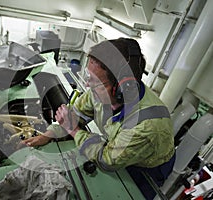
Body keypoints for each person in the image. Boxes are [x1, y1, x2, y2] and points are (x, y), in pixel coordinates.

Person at [21, 38, 175, 200]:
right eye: (89, 77)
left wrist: (73, 130)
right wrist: (48, 135)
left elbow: (106, 160)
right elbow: (75, 116)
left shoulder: (147, 125)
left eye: (95, 81)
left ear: (121, 89)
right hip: (118, 146)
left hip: (145, 168)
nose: (87, 85)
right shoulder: (98, 93)